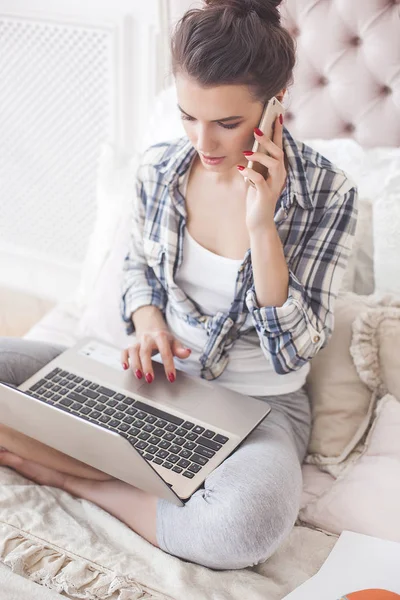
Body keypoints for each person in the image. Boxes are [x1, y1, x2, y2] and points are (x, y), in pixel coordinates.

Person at [0, 0, 357, 570]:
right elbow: (139, 272)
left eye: (227, 123)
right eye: (188, 115)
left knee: (243, 528)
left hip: (257, 409)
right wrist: (148, 325)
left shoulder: (328, 192)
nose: (203, 142)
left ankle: (81, 479)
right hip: (154, 384)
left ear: (274, 107)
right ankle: (122, 464)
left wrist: (261, 223)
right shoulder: (159, 168)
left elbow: (295, 347)